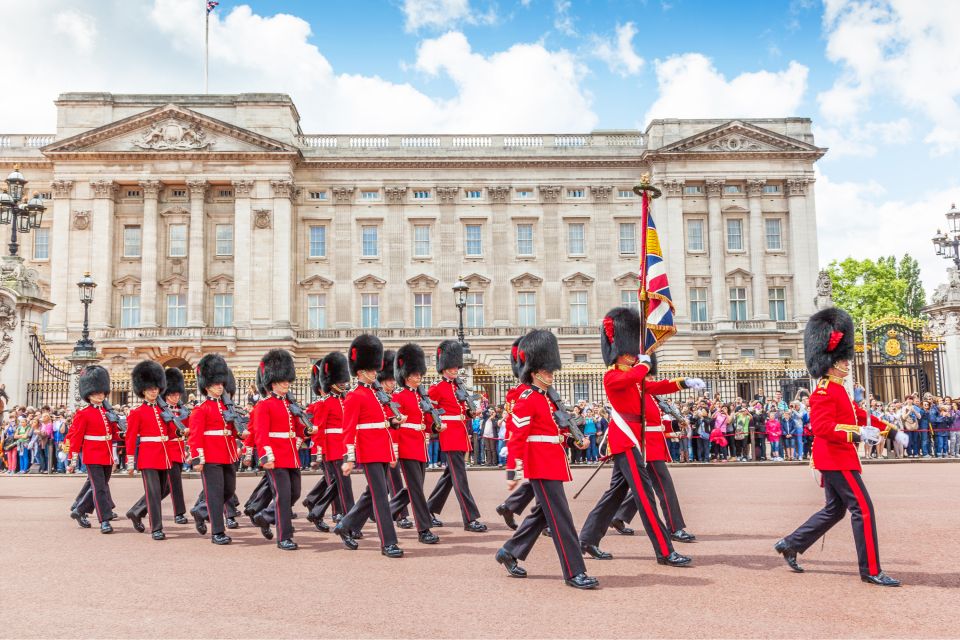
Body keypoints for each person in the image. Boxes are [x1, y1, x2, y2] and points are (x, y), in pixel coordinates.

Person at [775, 307, 907, 587]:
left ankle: (790, 543)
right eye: (843, 360)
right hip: (834, 458)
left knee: (835, 509)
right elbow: (822, 428)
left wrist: (891, 430)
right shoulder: (822, 391)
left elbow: (860, 415)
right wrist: (859, 435)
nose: (848, 364)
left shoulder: (838, 389)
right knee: (863, 509)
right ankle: (870, 570)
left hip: (839, 457)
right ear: (832, 363)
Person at [578, 307, 698, 566]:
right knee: (645, 496)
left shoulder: (633, 376)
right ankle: (665, 551)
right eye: (632, 351)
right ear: (622, 351)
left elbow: (654, 386)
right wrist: (643, 363)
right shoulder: (613, 376)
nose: (636, 355)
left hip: (636, 441)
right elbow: (636, 376)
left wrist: (683, 382)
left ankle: (587, 539)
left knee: (615, 495)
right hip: (627, 442)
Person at [495, 330, 598, 589]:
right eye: (547, 370)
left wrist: (576, 439)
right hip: (541, 465)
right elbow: (516, 437)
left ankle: (509, 551)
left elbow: (556, 429)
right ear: (534, 371)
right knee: (561, 519)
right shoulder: (528, 398)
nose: (551, 374)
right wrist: (513, 473)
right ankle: (574, 571)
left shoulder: (546, 399)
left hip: (553, 461)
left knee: (543, 514)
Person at [333, 334, 403, 557]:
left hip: (382, 447)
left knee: (371, 494)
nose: (376, 372)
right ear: (361, 371)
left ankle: (346, 525)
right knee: (381, 497)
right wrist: (349, 457)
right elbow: (349, 428)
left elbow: (380, 422)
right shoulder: (354, 396)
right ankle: (388, 542)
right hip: (369, 451)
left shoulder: (376, 393)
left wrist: (393, 422)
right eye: (372, 369)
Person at [426, 340, 487, 532]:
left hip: (461, 432)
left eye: (456, 367)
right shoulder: (436, 388)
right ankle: (470, 518)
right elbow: (431, 412)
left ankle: (428, 510)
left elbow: (462, 410)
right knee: (460, 478)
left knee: (450, 477)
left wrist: (471, 413)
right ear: (443, 368)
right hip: (449, 434)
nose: (454, 370)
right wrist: (436, 427)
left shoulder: (457, 386)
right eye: (451, 367)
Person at [254, 349, 310, 551]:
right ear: (273, 382)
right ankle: (284, 537)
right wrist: (266, 456)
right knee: (283, 496)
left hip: (291, 455)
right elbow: (261, 433)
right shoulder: (264, 405)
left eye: (288, 380)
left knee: (294, 493)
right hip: (275, 457)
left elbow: (296, 428)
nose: (287, 383)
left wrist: (306, 430)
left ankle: (265, 515)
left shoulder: (289, 405)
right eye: (282, 381)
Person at [387, 343, 440, 544]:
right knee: (416, 489)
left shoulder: (420, 396)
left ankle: (387, 512)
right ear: (405, 375)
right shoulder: (399, 396)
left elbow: (424, 422)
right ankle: (423, 529)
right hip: (408, 446)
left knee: (413, 488)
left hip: (420, 446)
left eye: (419, 374)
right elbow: (396, 425)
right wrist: (396, 448)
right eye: (414, 374)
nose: (418, 377)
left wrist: (435, 428)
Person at [187, 354, 241, 545]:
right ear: (207, 386)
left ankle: (201, 511)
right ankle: (217, 532)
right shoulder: (201, 409)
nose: (220, 386)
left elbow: (233, 431)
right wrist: (197, 458)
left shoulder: (228, 406)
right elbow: (195, 436)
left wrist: (241, 437)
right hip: (210, 456)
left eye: (221, 383)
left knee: (229, 490)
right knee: (216, 493)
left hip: (228, 454)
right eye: (216, 384)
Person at [124, 360, 175, 540]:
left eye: (155, 388)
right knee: (153, 493)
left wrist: (177, 425)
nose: (154, 391)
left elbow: (171, 433)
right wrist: (130, 461)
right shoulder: (137, 412)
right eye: (150, 389)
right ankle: (156, 528)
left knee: (165, 489)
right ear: (143, 391)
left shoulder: (164, 409)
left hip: (164, 454)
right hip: (148, 456)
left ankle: (137, 511)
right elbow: (130, 437)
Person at [304, 352, 356, 532]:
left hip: (343, 447)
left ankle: (314, 504)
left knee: (334, 482)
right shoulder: (324, 403)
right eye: (340, 380)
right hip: (330, 449)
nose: (343, 383)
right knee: (342, 485)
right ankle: (344, 516)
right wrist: (318, 452)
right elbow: (318, 430)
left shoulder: (346, 399)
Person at [67, 366, 121, 533]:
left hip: (106, 454)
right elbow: (76, 437)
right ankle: (104, 520)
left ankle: (80, 510)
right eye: (96, 393)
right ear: (89, 394)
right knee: (99, 488)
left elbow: (113, 433)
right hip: (92, 454)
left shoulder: (107, 412)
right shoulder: (83, 414)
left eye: (102, 392)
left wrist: (123, 432)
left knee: (102, 486)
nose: (100, 395)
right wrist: (73, 459)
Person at [378, 351, 411, 530]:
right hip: (383, 445)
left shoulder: (395, 398)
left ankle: (371, 512)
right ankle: (401, 514)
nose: (392, 383)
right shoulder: (378, 399)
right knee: (389, 483)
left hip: (395, 444)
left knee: (388, 483)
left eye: (393, 380)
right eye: (389, 380)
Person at [161, 368, 190, 524]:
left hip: (179, 451)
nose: (176, 397)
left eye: (178, 394)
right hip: (167, 450)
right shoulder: (161, 411)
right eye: (173, 394)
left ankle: (139, 508)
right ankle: (179, 513)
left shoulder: (182, 411)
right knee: (175, 484)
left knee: (164, 488)